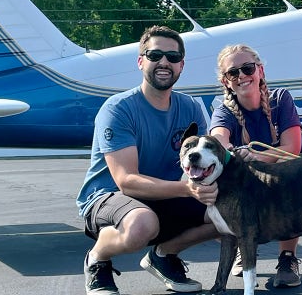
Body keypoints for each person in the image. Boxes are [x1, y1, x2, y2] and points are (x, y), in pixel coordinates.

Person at [77, 25, 220, 295]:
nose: (164, 62)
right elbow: (126, 181)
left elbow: (205, 161)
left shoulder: (190, 108)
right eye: (155, 55)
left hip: (162, 195)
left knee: (225, 215)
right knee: (143, 224)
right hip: (107, 196)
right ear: (141, 61)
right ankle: (97, 259)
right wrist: (187, 189)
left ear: (181, 65)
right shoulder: (118, 109)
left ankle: (163, 256)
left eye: (173, 57)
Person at [210, 44, 302, 287]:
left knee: (290, 169)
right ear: (226, 81)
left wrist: (257, 158)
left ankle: (287, 257)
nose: (242, 76)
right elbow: (219, 138)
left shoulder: (281, 98)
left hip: (275, 179)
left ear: (260, 70)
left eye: (247, 68)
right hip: (246, 185)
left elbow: (292, 147)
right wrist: (225, 146)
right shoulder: (223, 111)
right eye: (233, 73)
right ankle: (243, 244)